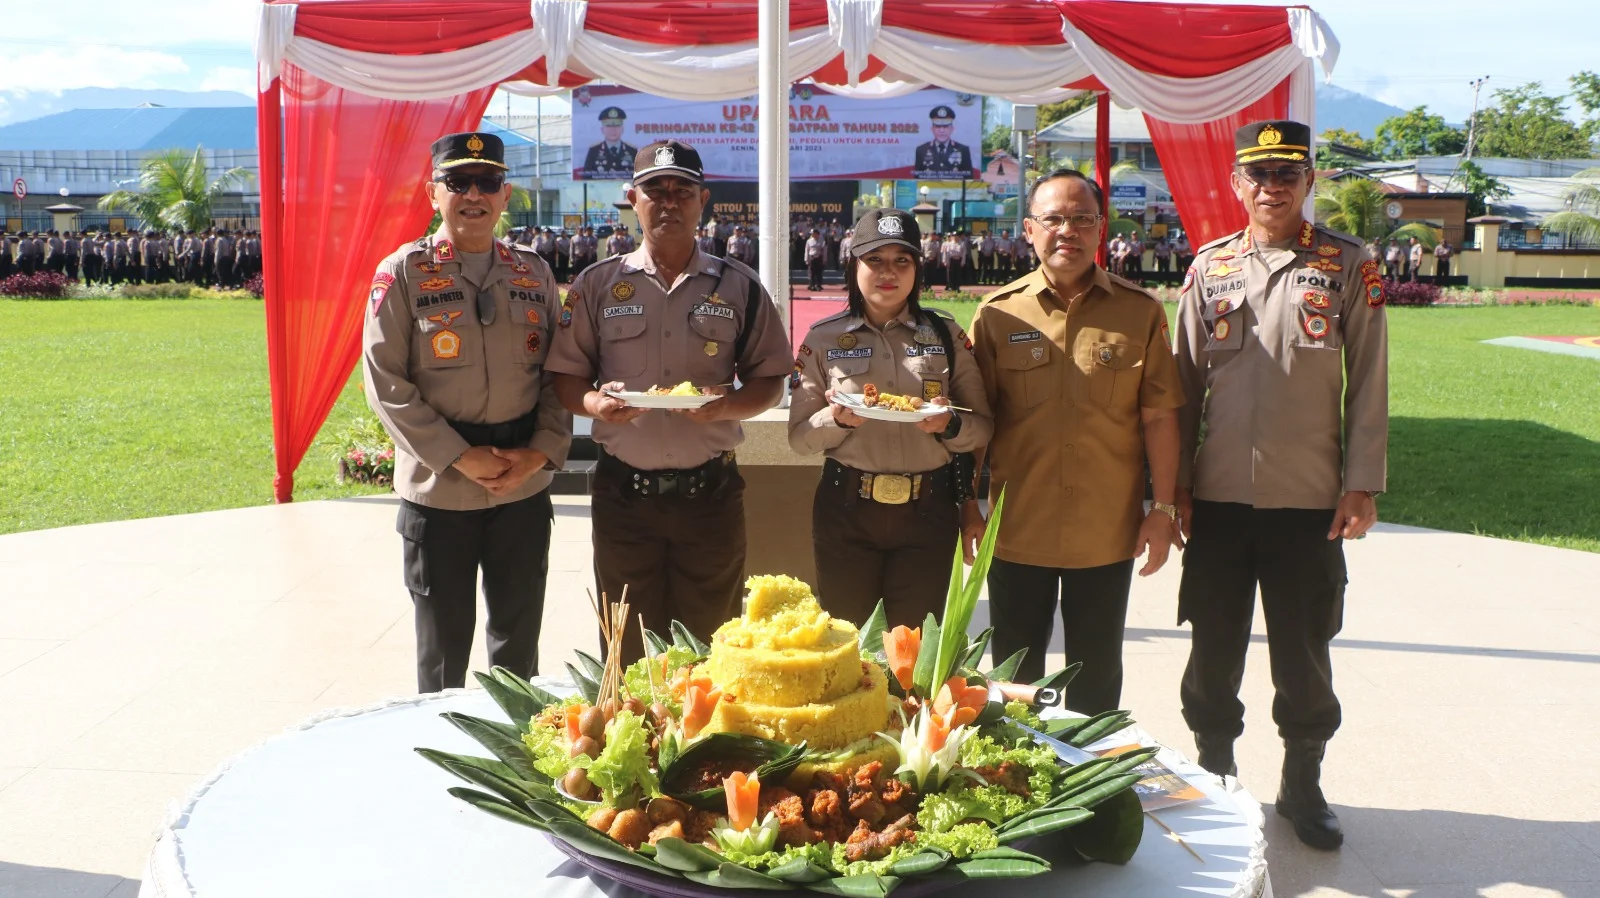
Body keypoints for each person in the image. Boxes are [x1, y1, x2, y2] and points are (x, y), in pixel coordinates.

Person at [1172, 120, 1388, 851]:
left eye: (1287, 175)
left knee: (1304, 650)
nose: (1272, 188)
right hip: (1221, 496)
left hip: (1309, 501)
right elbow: (1179, 388)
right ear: (1237, 184)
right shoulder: (1211, 268)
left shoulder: (1347, 265)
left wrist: (1362, 481)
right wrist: (1170, 490)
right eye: (1258, 175)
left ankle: (1302, 783)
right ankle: (1214, 774)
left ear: (1308, 183)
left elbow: (1369, 383)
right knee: (1212, 645)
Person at [546, 139, 792, 663]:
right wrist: (595, 404)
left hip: (710, 496)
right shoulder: (596, 284)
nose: (669, 202)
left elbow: (771, 378)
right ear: (633, 199)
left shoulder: (739, 287)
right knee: (627, 648)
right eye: (656, 191)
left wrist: (726, 407)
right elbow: (565, 377)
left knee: (710, 650)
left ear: (703, 200)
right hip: (624, 497)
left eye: (682, 191)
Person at [964, 168, 1185, 713]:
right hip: (1017, 530)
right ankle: (1021, 786)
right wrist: (967, 502)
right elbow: (976, 421)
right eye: (1054, 219)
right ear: (1029, 229)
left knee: (1098, 676)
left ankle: (1094, 793)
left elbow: (1159, 417)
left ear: (1101, 228)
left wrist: (1162, 508)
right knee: (1015, 680)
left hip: (1106, 532)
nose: (1069, 230)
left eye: (1082, 219)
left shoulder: (1140, 311)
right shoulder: (996, 314)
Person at [362, 131, 571, 693]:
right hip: (440, 488)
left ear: (506, 196)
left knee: (518, 645)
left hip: (520, 487)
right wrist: (459, 456)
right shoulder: (403, 273)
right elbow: (384, 382)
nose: (473, 195)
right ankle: (443, 762)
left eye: (488, 182)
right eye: (458, 182)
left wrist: (541, 454)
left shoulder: (534, 273)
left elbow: (560, 374)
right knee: (442, 652)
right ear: (434, 193)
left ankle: (516, 766)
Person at [789, 208, 993, 627]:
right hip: (846, 508)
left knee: (914, 651)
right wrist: (837, 419)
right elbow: (799, 437)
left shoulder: (946, 336)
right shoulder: (822, 338)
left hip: (928, 511)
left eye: (903, 260)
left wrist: (948, 424)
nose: (889, 272)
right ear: (854, 264)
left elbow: (983, 427)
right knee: (847, 647)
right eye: (875, 260)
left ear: (918, 268)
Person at [913, 105, 974, 177]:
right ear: (932, 129)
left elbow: (969, 179)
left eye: (945, 127)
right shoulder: (921, 150)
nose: (942, 131)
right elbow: (917, 179)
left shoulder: (963, 150)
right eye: (938, 127)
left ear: (952, 129)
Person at [583, 106, 638, 179]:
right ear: (602, 129)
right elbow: (586, 177)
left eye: (617, 126)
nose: (613, 130)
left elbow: (638, 178)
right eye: (609, 126)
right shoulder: (594, 150)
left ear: (622, 129)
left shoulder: (631, 150)